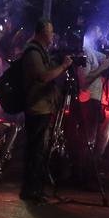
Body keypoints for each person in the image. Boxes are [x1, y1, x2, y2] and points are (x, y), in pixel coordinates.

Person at [20, 18, 72, 204]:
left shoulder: (41, 52)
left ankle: (34, 189)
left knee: (38, 151)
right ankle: (32, 191)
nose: (53, 35)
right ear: (42, 32)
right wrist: (64, 66)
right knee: (36, 151)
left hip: (43, 106)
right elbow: (43, 76)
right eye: (50, 32)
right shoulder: (33, 52)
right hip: (37, 107)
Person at [77, 24, 109, 181]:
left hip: (96, 100)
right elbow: (84, 80)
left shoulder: (92, 51)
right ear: (92, 31)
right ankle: (84, 175)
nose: (102, 33)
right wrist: (102, 68)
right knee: (90, 140)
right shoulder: (84, 51)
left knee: (97, 140)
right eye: (99, 30)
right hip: (89, 100)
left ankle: (89, 173)